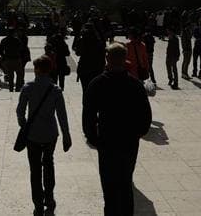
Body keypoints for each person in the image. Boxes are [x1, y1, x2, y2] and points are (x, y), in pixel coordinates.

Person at [83, 43, 152, 216]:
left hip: (107, 139)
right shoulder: (135, 84)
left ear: (107, 59)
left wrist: (93, 138)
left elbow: (88, 115)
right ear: (125, 59)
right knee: (125, 182)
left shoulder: (97, 84)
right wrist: (138, 133)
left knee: (109, 185)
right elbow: (145, 115)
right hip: (129, 140)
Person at [16, 56, 72, 215]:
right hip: (50, 134)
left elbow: (20, 111)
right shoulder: (55, 90)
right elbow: (62, 115)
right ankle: (49, 198)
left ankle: (38, 203)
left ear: (38, 69)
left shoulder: (28, 87)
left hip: (33, 134)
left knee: (35, 169)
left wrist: (23, 124)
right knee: (48, 164)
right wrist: (66, 135)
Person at [74, 23, 106, 102]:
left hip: (84, 69)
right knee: (96, 91)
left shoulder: (82, 40)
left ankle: (86, 108)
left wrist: (78, 36)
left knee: (85, 90)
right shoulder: (99, 41)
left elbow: (77, 52)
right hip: (97, 69)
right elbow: (103, 55)